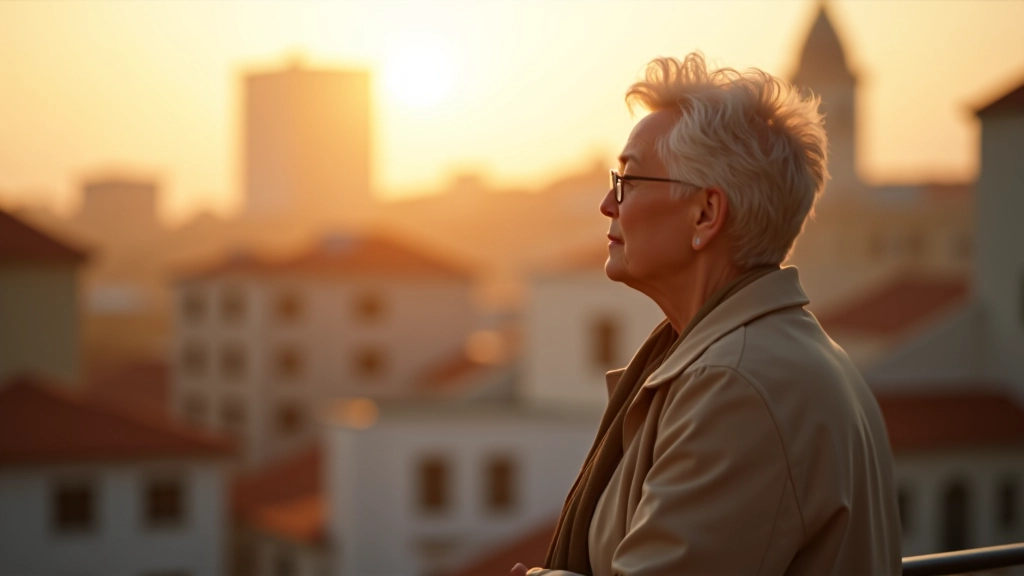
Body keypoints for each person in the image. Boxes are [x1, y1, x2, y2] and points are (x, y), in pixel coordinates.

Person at [512, 53, 901, 576]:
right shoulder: (769, 353)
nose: (608, 203)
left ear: (705, 214)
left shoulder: (736, 384)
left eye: (627, 179)